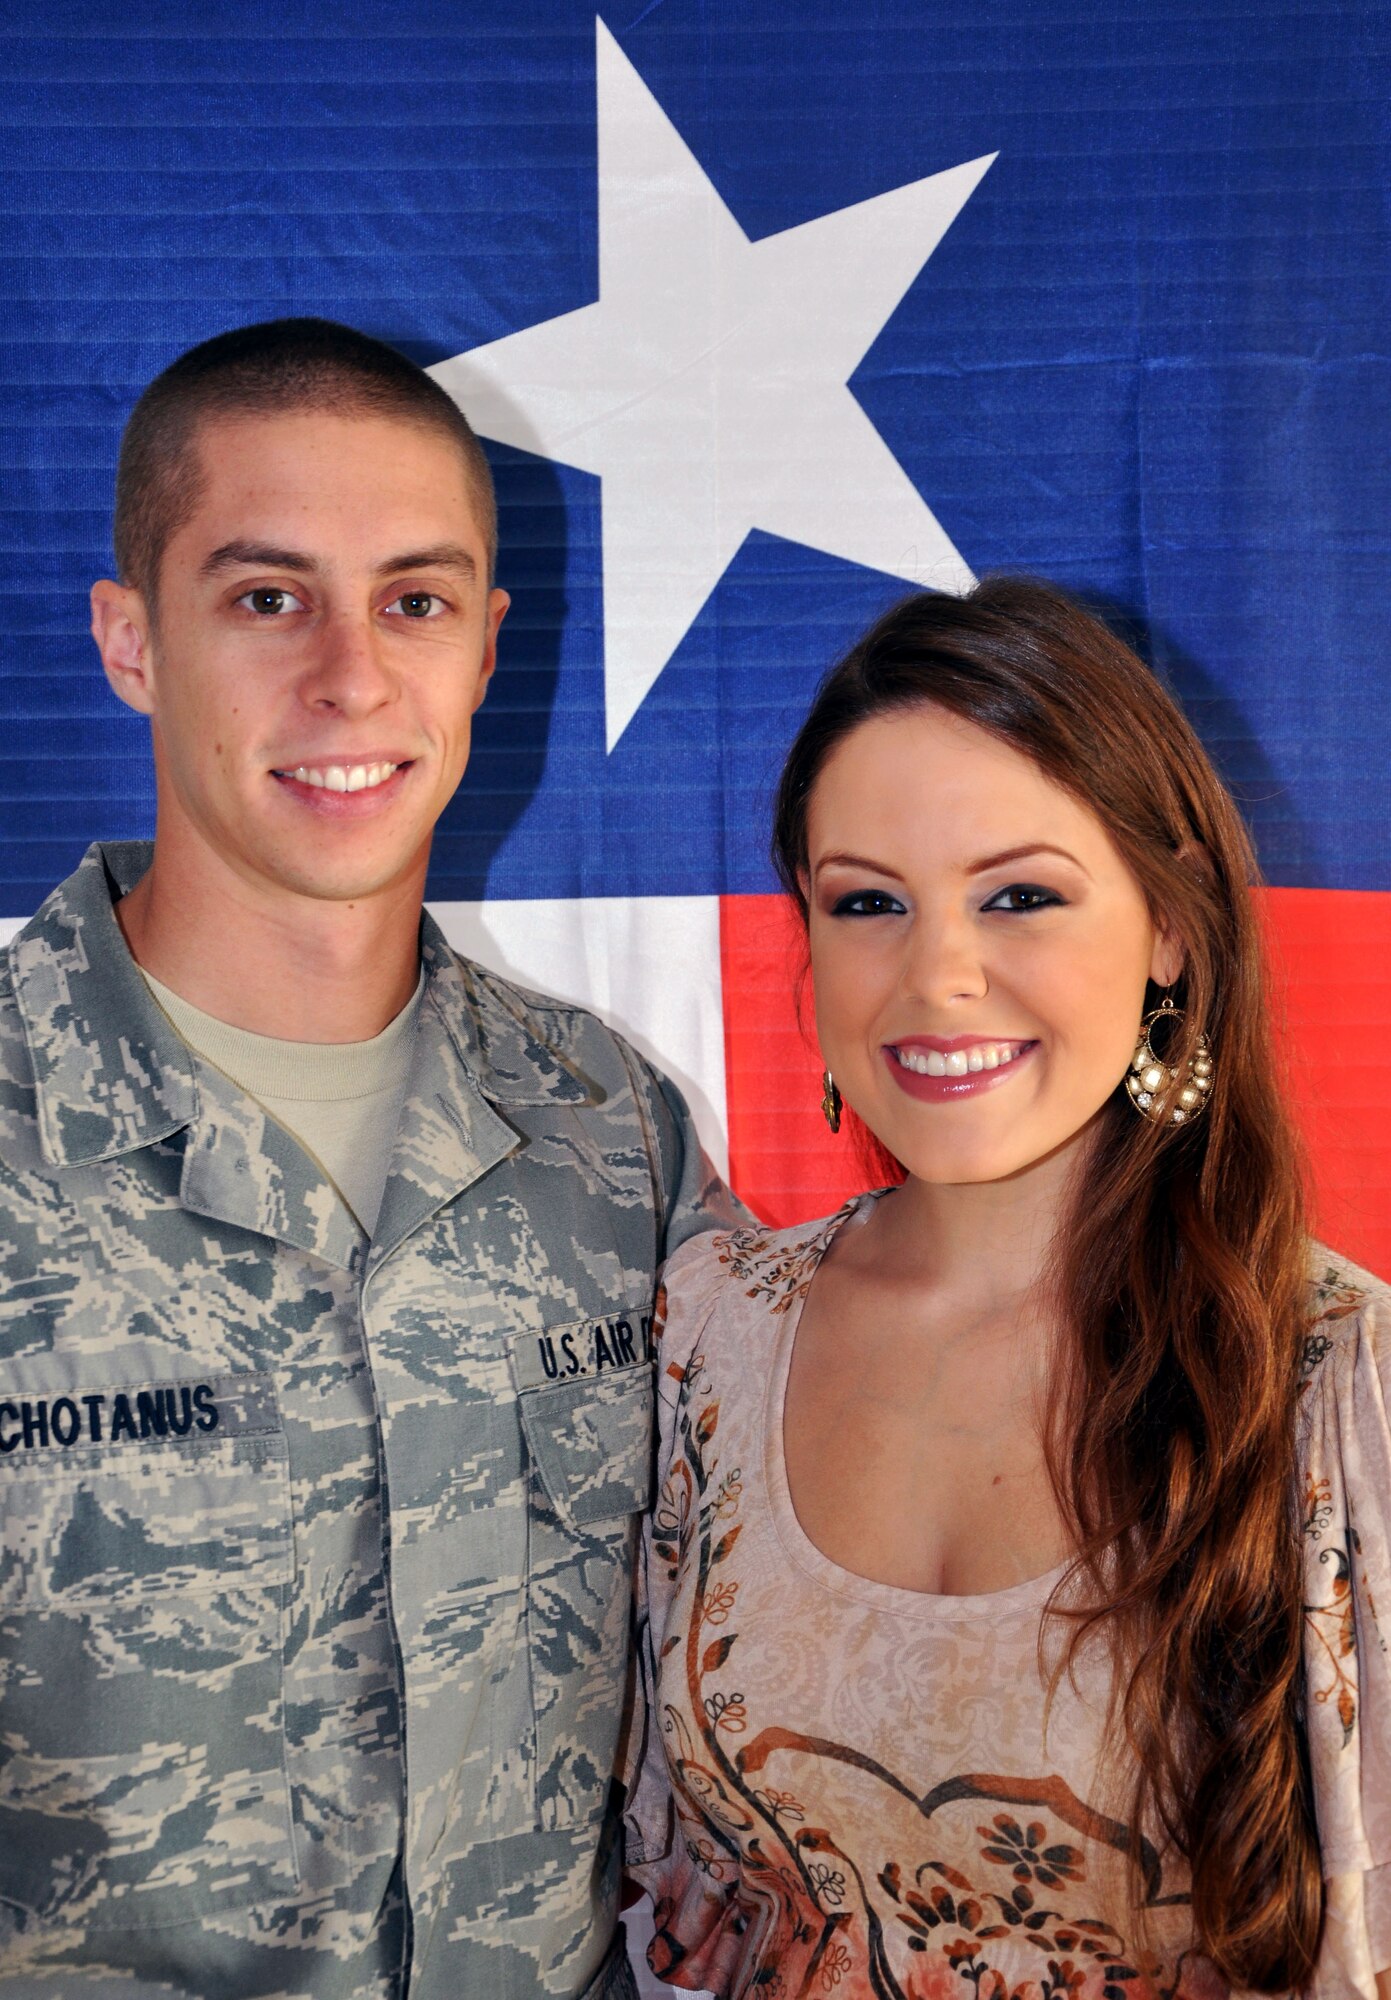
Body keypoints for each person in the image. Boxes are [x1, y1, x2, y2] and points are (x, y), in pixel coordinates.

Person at [0, 318, 741, 1999]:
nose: (350, 676)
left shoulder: (606, 1137)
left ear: (486, 643)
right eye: (267, 598)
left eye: (413, 600)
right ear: (131, 642)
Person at [621, 579, 1391, 2000]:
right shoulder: (705, 1335)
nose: (939, 975)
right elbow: (665, 1905)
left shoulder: (1346, 1386)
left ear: (1171, 925)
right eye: (868, 903)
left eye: (1019, 895)